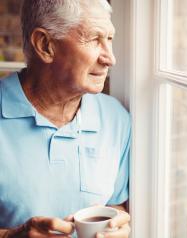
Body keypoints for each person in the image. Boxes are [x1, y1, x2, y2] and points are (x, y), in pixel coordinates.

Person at [0, 0, 131, 237]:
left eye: (109, 39)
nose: (110, 58)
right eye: (94, 39)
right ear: (45, 45)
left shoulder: (116, 119)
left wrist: (117, 225)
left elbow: (115, 204)